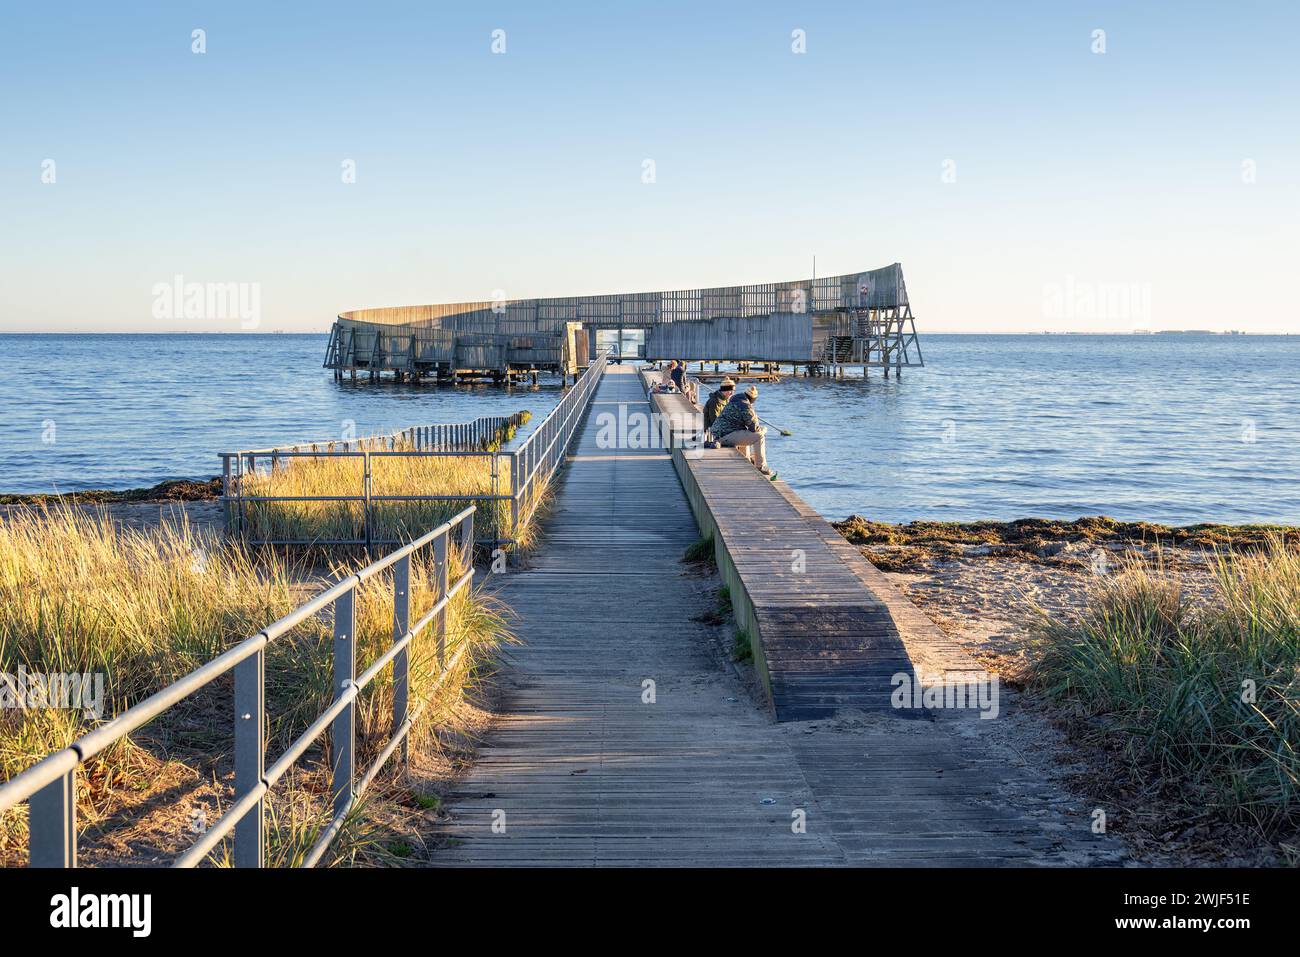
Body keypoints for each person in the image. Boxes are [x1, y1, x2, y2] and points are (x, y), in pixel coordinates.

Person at [708, 385, 773, 476]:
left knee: (746, 433)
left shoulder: (734, 400)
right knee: (759, 436)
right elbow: (754, 428)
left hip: (720, 433)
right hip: (725, 435)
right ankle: (761, 466)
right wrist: (764, 430)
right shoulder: (745, 406)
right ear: (753, 399)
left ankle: (747, 461)